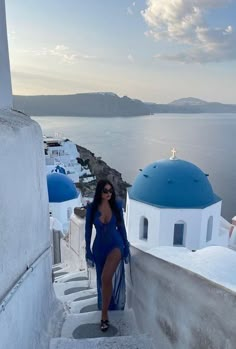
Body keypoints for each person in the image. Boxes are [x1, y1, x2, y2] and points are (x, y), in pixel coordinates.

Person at [85, 179, 130, 332]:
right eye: (105, 191)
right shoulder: (91, 208)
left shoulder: (116, 206)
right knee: (103, 280)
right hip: (99, 248)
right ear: (99, 192)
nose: (108, 193)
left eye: (110, 191)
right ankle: (107, 306)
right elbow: (88, 231)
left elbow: (122, 228)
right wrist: (88, 251)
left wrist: (126, 246)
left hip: (115, 246)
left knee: (105, 278)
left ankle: (104, 316)